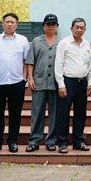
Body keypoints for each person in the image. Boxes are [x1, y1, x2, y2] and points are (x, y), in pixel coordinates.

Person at [0, 12, 29, 153]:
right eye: (7, 21)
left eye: (12, 22)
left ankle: (12, 142)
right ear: (2, 24)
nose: (10, 24)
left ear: (16, 24)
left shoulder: (23, 40)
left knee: (15, 114)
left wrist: (24, 78)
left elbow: (26, 61)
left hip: (17, 82)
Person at [55, 17, 91, 153]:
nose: (79, 30)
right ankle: (63, 142)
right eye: (76, 27)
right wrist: (61, 84)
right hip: (68, 82)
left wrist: (90, 82)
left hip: (82, 83)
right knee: (63, 113)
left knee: (80, 113)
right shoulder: (64, 43)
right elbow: (58, 65)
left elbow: (89, 65)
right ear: (71, 28)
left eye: (82, 27)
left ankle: (78, 141)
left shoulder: (86, 44)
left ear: (85, 29)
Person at [25, 14, 61, 152]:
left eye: (53, 24)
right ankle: (34, 141)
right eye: (48, 24)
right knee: (37, 113)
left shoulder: (61, 42)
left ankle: (51, 140)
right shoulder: (36, 41)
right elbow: (30, 61)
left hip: (56, 83)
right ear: (43, 26)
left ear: (57, 26)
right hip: (39, 81)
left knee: (54, 114)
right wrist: (30, 78)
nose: (50, 26)